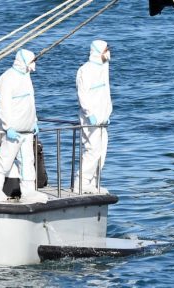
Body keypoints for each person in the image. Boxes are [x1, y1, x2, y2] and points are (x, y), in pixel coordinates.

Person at [0, 49, 48, 203]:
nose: (34, 64)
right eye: (32, 61)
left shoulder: (26, 77)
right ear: (24, 62)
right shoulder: (7, 78)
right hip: (13, 130)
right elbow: (4, 105)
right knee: (5, 159)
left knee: (28, 161)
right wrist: (8, 126)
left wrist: (34, 121)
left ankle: (29, 191)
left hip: (27, 129)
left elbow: (30, 102)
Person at [75, 40, 113, 194]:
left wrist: (107, 113)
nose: (108, 52)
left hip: (103, 118)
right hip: (90, 118)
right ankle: (81, 182)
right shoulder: (85, 70)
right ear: (98, 51)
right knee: (92, 151)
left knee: (101, 152)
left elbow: (105, 93)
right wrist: (89, 114)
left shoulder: (104, 67)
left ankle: (94, 182)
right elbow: (82, 95)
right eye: (106, 49)